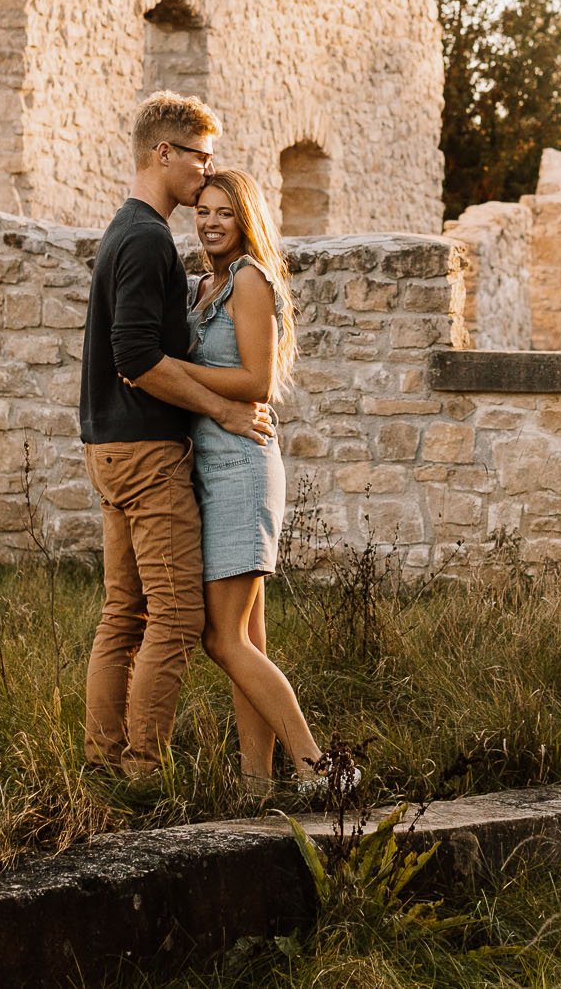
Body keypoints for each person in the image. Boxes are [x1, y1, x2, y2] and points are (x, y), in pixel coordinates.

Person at [79, 92, 272, 777]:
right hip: (144, 452)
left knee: (123, 613)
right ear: (165, 153)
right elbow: (135, 358)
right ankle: (141, 771)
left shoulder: (128, 232)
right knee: (177, 617)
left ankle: (103, 767)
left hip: (108, 446)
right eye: (200, 156)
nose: (206, 170)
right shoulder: (145, 237)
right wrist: (221, 411)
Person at [139, 167, 349, 794]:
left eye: (224, 212)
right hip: (210, 465)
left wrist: (169, 367)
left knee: (220, 636)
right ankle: (257, 783)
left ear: (245, 218)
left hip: (243, 465)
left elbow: (257, 381)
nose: (210, 221)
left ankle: (320, 771)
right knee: (247, 636)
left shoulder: (250, 280)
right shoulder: (207, 282)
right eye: (202, 210)